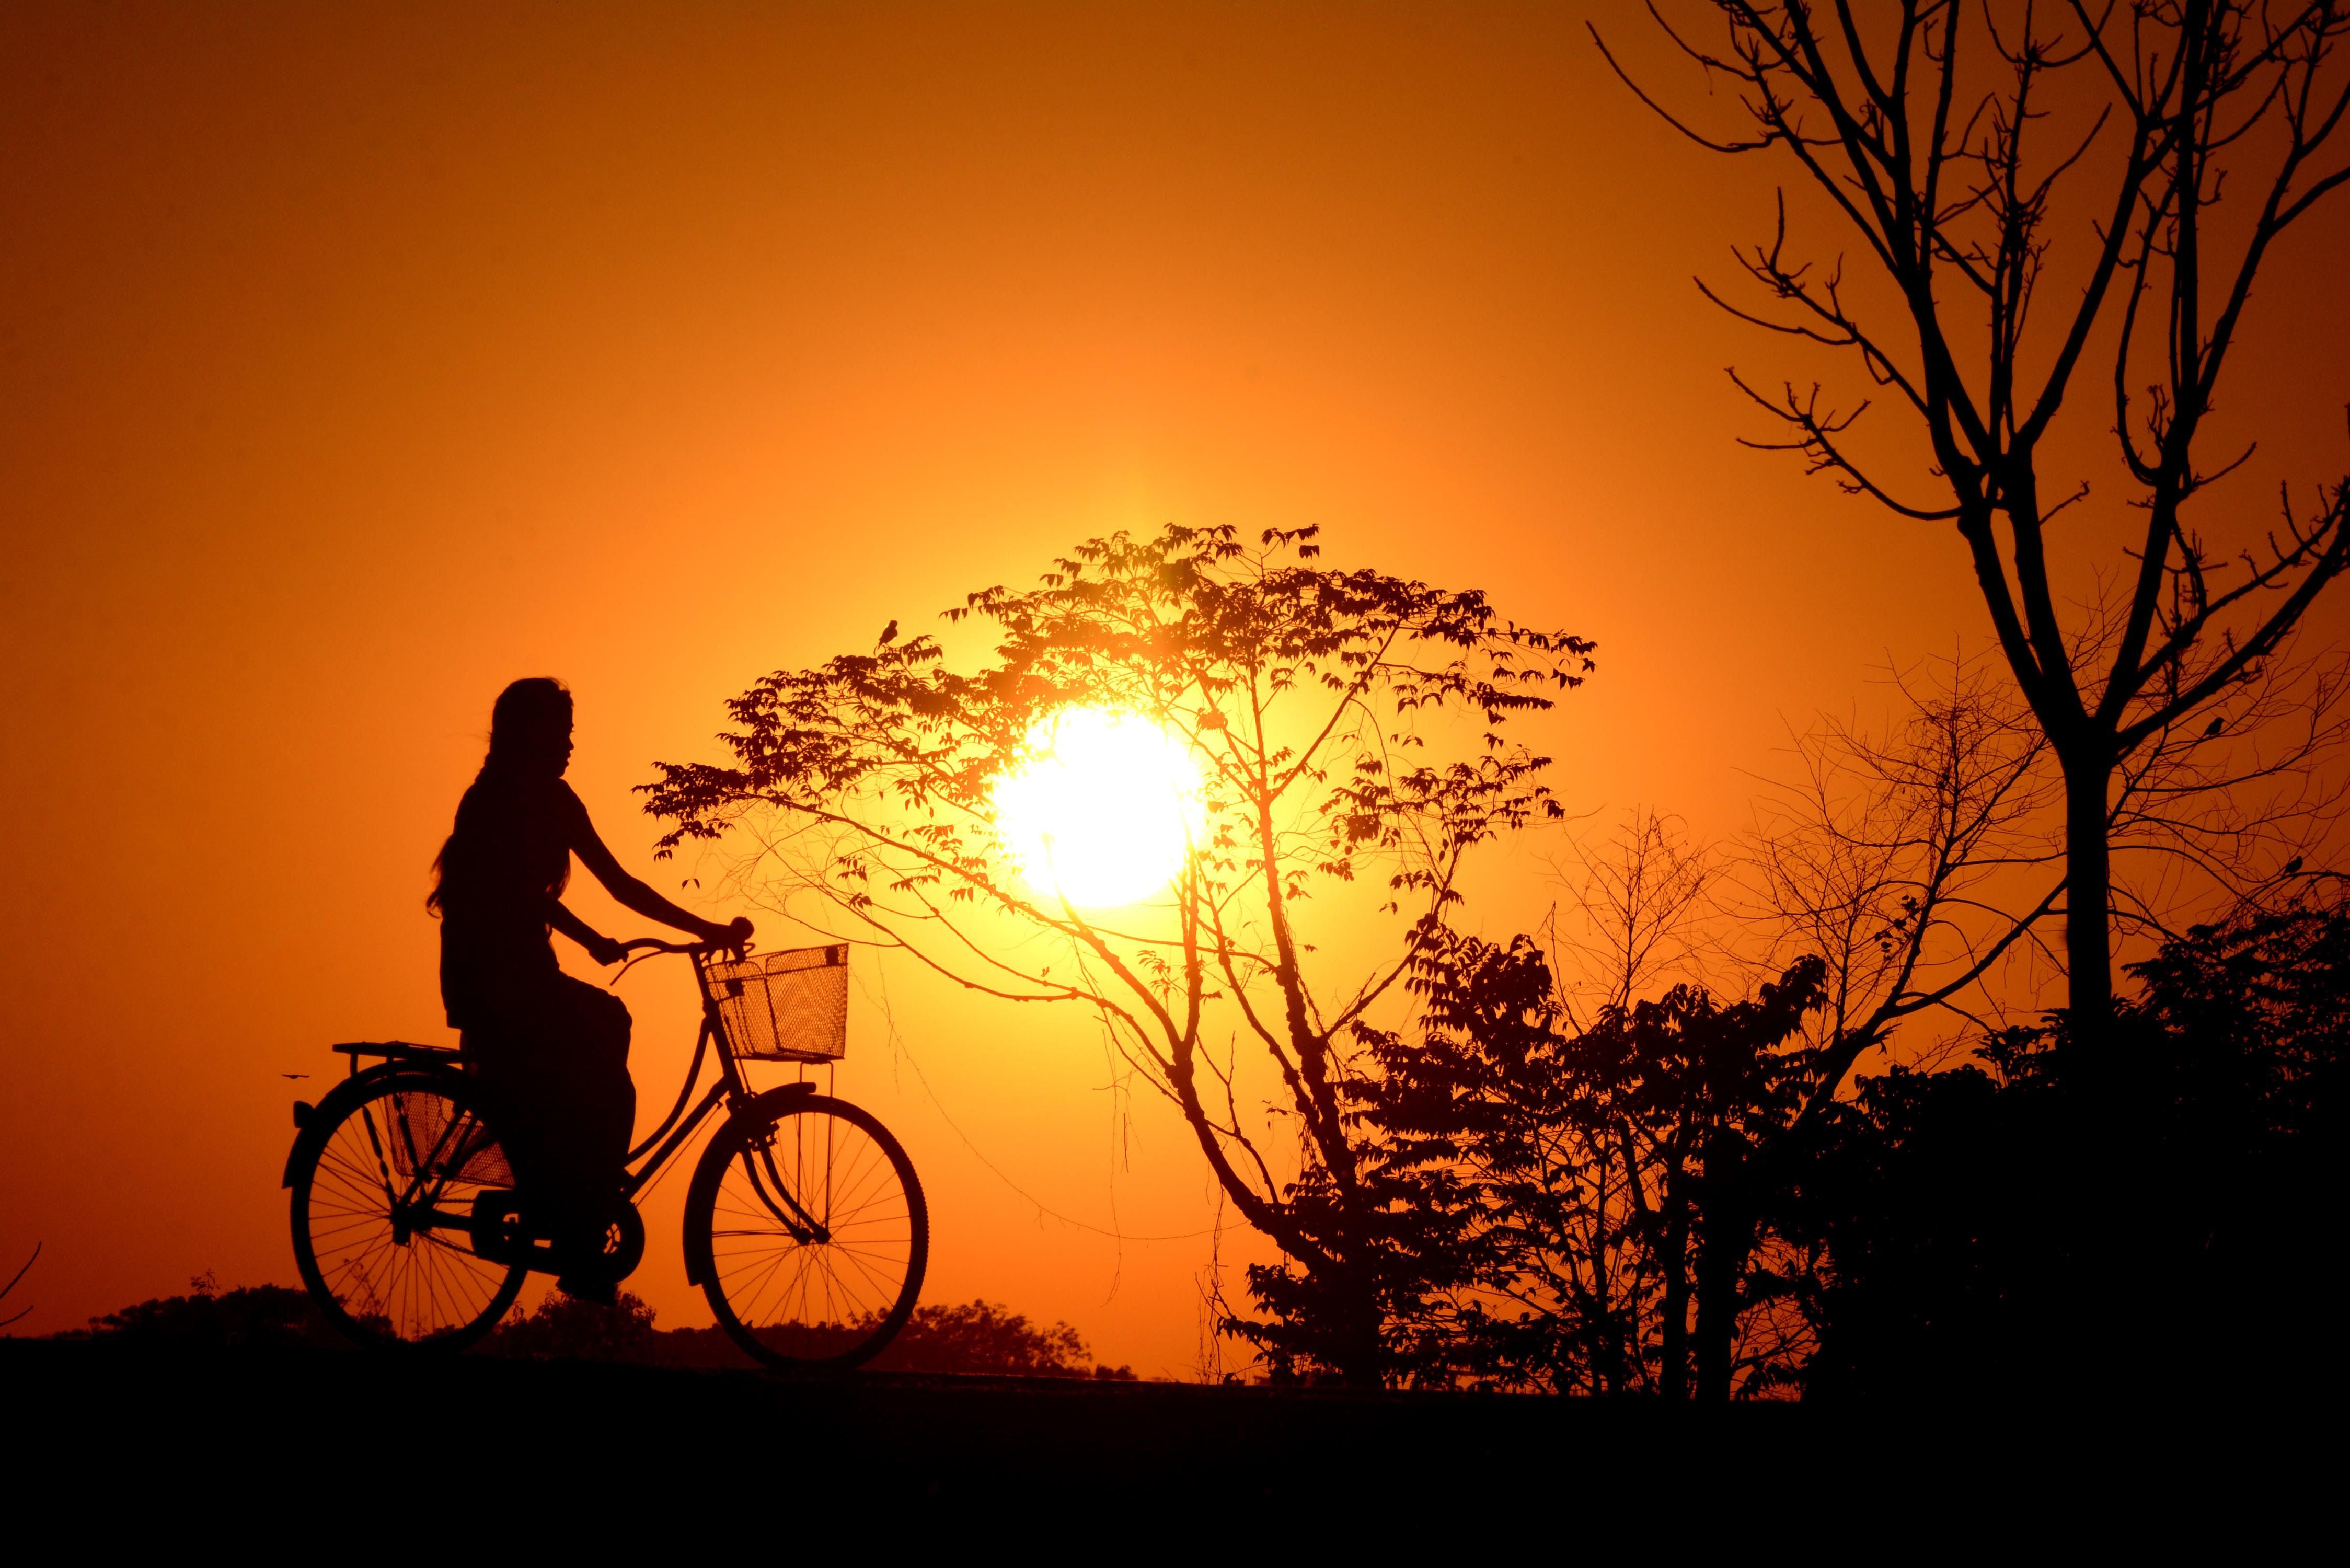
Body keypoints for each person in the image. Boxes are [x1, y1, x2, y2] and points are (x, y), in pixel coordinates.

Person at [427, 677, 748, 1302]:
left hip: (509, 974)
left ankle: (570, 1197)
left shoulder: (541, 799)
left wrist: (700, 928)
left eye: (571, 733)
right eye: (560, 732)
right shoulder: (500, 802)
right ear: (528, 734)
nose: (570, 745)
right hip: (498, 977)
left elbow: (619, 884)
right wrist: (595, 939)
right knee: (608, 1055)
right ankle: (579, 1220)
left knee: (594, 1039)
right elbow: (517, 895)